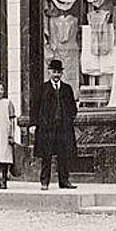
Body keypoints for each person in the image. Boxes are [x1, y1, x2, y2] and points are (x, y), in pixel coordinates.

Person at [29, 59, 78, 190]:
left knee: (64, 155)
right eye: (54, 72)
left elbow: (73, 108)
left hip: (63, 127)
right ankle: (44, 181)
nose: (56, 75)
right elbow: (35, 107)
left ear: (62, 73)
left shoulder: (67, 89)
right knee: (47, 155)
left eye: (58, 72)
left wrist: (68, 119)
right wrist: (33, 124)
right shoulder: (42, 88)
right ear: (49, 72)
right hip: (46, 127)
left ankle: (64, 181)